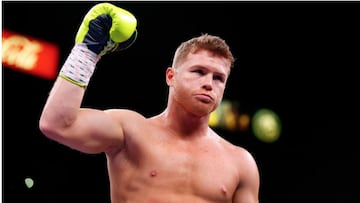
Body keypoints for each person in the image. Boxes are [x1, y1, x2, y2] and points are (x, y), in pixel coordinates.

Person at [39, 3, 260, 203]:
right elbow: (57, 124)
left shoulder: (240, 162)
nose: (209, 83)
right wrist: (86, 52)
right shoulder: (130, 131)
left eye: (218, 78)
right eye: (199, 71)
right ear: (171, 77)